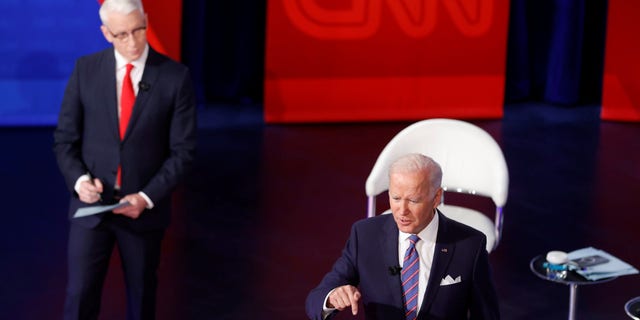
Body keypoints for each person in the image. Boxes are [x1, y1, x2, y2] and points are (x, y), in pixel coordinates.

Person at [53, 0, 196, 319]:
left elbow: (183, 151)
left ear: (145, 20)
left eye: (138, 30)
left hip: (143, 212)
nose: (132, 42)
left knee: (142, 296)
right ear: (106, 33)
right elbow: (65, 140)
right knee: (79, 295)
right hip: (91, 208)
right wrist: (80, 183)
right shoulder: (85, 70)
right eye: (121, 35)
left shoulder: (175, 77)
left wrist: (146, 197)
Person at [306, 153, 500, 320]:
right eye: (396, 198)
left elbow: (487, 315)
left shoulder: (469, 245)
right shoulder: (365, 236)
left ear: (436, 197)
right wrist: (332, 298)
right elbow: (315, 300)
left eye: (413, 200)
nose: (402, 211)